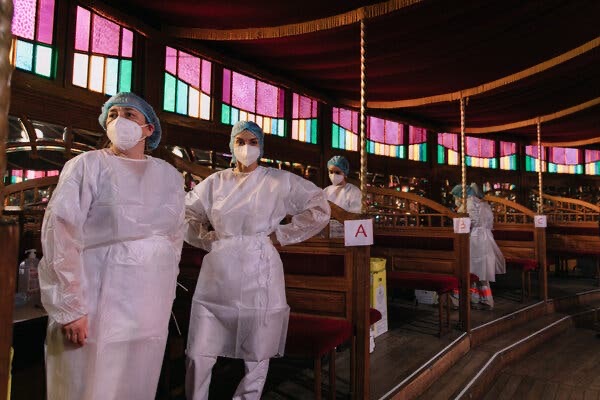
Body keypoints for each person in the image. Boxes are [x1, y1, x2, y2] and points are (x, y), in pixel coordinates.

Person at [38, 92, 185, 400]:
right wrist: (70, 308)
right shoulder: (86, 166)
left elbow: (173, 240)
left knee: (136, 381)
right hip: (96, 296)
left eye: (129, 114)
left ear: (149, 129)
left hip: (149, 306)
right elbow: (60, 232)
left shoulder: (170, 176)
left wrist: (166, 294)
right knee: (88, 382)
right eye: (113, 114)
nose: (119, 120)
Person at [184, 120, 330, 399]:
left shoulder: (278, 180)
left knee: (258, 350)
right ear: (231, 145)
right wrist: (205, 238)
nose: (246, 148)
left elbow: (319, 206)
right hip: (218, 273)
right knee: (200, 349)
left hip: (260, 269)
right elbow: (186, 213)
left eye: (253, 142)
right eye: (240, 141)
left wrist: (281, 235)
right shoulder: (215, 183)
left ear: (261, 147)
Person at [451, 182, 506, 309]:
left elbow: (471, 221)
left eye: (456, 196)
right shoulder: (484, 204)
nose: (456, 199)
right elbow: (490, 223)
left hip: (475, 239)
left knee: (473, 269)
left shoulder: (470, 203)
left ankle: (474, 299)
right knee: (481, 271)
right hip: (485, 238)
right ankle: (483, 299)